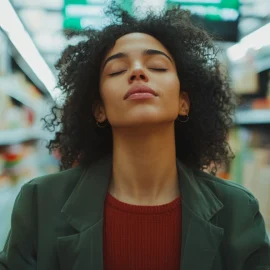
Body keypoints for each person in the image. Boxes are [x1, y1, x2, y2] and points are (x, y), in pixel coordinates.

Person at [0, 3, 269, 270]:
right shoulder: (40, 203)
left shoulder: (238, 211)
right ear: (99, 109)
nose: (138, 72)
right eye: (117, 70)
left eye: (158, 67)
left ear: (183, 102)